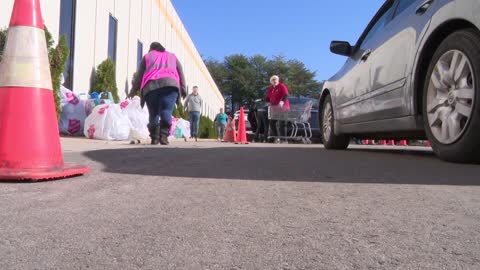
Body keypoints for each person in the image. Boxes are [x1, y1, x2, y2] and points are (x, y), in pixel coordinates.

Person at [129, 42, 186, 145]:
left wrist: (133, 91)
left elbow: (139, 76)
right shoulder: (172, 56)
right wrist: (183, 88)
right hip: (170, 85)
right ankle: (164, 137)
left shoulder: (147, 57)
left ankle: (154, 138)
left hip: (151, 87)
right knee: (166, 111)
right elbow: (180, 71)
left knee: (153, 113)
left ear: (151, 49)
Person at [265, 75, 290, 143]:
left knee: (282, 124)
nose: (274, 81)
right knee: (272, 123)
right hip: (275, 109)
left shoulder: (282, 86)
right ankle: (277, 138)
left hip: (283, 108)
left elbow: (286, 95)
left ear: (278, 80)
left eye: (275, 79)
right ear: (271, 82)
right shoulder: (270, 89)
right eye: (273, 80)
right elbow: (267, 97)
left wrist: (282, 102)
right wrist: (267, 102)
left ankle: (284, 140)